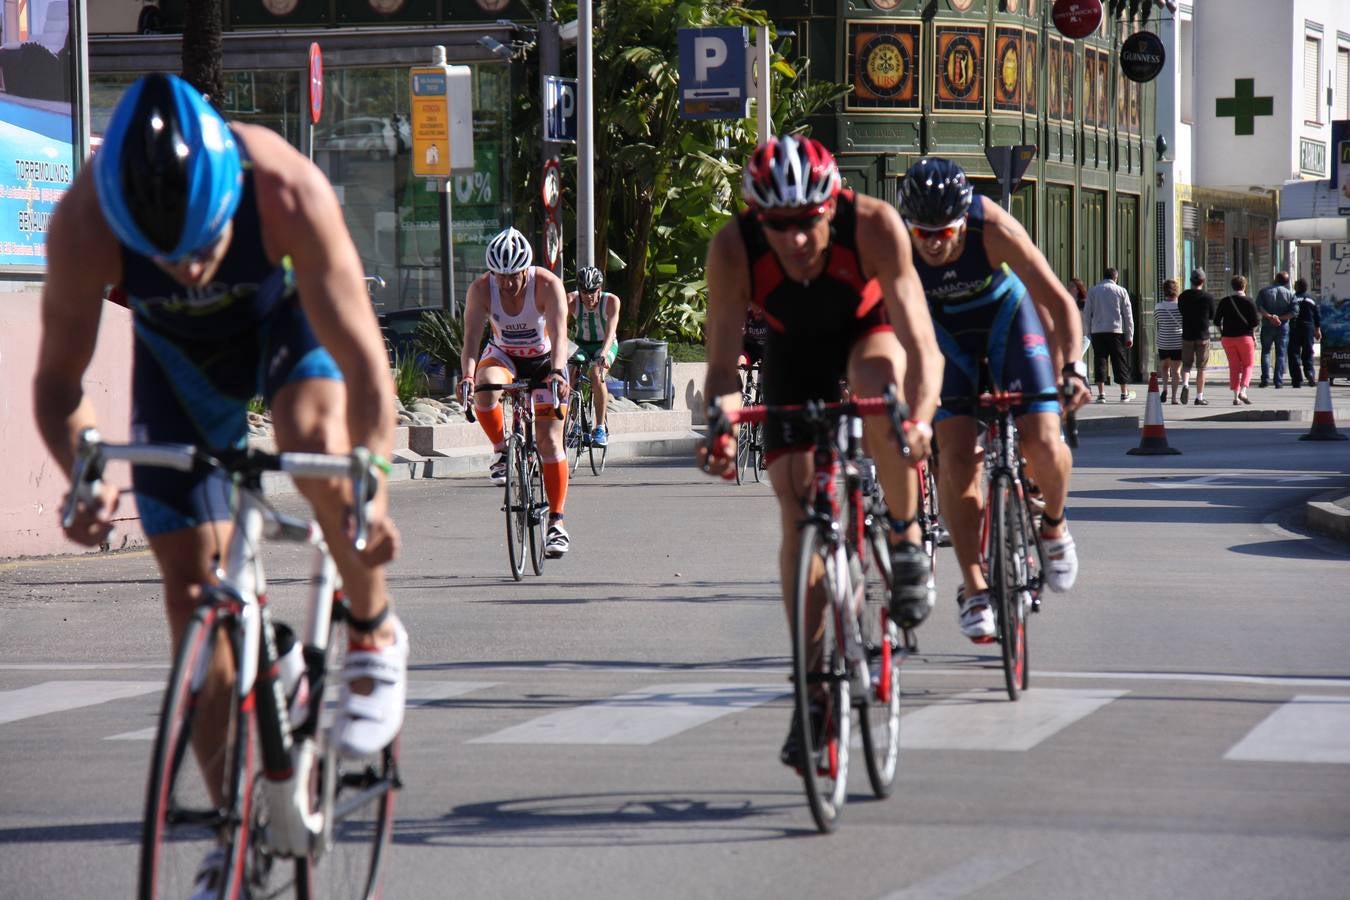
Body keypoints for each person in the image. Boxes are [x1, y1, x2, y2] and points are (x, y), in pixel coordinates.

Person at [32, 73, 408, 895]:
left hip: (284, 326)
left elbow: (370, 378)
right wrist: (83, 475)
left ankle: (374, 634)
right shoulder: (84, 221)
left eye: (205, 242)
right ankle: (229, 824)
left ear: (229, 189)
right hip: (179, 364)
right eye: (169, 255)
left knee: (315, 444)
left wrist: (371, 480)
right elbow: (58, 388)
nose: (195, 267)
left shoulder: (285, 188)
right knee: (189, 596)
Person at [698, 136, 942, 766]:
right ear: (758, 218)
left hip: (869, 332)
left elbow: (923, 345)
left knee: (875, 390)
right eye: (779, 226)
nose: (796, 239)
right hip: (792, 353)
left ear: (832, 205)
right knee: (797, 503)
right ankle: (811, 693)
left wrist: (917, 417)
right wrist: (720, 431)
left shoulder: (876, 225)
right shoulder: (734, 248)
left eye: (807, 222)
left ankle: (907, 537)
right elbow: (722, 369)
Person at [899, 158, 1090, 642]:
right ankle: (976, 586)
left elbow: (1058, 301)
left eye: (946, 231)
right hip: (947, 337)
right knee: (957, 459)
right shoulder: (899, 248)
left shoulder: (994, 227)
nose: (936, 243)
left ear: (964, 219)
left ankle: (1053, 524)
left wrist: (1072, 369)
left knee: (1043, 441)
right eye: (924, 233)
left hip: (1006, 318)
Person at [460, 226, 573, 557]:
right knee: (484, 386)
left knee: (550, 440)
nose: (507, 283)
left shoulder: (548, 285)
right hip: (504, 354)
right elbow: (471, 341)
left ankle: (557, 523)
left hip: (544, 361)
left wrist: (556, 372)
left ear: (527, 268)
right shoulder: (481, 290)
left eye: (514, 275)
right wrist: (467, 377)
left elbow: (559, 334)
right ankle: (501, 449)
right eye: (500, 275)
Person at [567, 265, 620, 446]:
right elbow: (559, 329)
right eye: (584, 291)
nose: (588, 296)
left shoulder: (611, 301)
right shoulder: (571, 301)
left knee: (597, 375)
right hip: (581, 344)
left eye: (593, 291)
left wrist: (603, 355)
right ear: (579, 290)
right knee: (570, 373)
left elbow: (611, 332)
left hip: (605, 344)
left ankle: (599, 428)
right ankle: (574, 423)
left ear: (600, 289)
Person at [1084, 267, 1135, 402]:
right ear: (1115, 277)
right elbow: (1128, 315)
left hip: (1098, 331)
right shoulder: (1121, 291)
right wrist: (1130, 335)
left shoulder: (1093, 291)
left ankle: (1101, 394)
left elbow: (1087, 313)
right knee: (1119, 361)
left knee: (1100, 360)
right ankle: (1124, 393)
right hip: (1116, 331)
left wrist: (1087, 332)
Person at [1213, 274, 1260, 405]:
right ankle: (1243, 391)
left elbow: (1216, 321)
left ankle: (1235, 397)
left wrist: (1222, 333)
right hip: (1245, 338)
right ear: (1245, 286)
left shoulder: (1224, 301)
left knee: (1234, 367)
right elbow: (1255, 323)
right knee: (1248, 365)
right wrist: (1253, 335)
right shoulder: (1249, 301)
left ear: (1232, 286)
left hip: (1228, 339)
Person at [1177, 267, 1216, 405]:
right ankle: (1199, 397)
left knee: (1186, 365)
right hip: (1203, 336)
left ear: (1190, 281)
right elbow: (1212, 315)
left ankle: (1186, 384)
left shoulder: (1183, 296)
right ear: (1203, 281)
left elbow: (1181, 311)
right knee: (1201, 367)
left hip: (1187, 335)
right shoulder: (1208, 297)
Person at [1255, 271, 1295, 388]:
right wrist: (1280, 318)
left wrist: (1270, 317)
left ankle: (1265, 380)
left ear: (1275, 279)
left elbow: (1259, 307)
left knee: (1266, 352)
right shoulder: (1290, 294)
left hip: (1267, 325)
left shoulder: (1264, 292)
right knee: (1281, 354)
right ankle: (1278, 381)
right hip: (1282, 327)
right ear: (1287, 282)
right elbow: (1294, 312)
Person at [1288, 277, 1321, 388]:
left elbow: (1289, 312)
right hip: (1309, 328)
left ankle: (1297, 380)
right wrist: (1317, 329)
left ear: (1297, 287)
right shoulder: (1311, 299)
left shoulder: (1293, 298)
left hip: (1295, 327)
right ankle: (1310, 373)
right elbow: (1317, 315)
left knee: (1294, 354)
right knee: (1308, 353)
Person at [1155, 279, 1184, 403]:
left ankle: (1165, 388)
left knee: (1164, 368)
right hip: (1177, 341)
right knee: (1176, 371)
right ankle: (1174, 397)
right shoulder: (1181, 307)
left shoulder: (1158, 306)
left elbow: (1157, 320)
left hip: (1163, 340)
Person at [1068, 276, 1091, 360]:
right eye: (1068, 286)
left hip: (1083, 337)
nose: (1068, 288)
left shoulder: (1082, 303)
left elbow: (1082, 320)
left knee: (1076, 359)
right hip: (1073, 337)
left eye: (1071, 286)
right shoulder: (1070, 301)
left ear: (1077, 289)